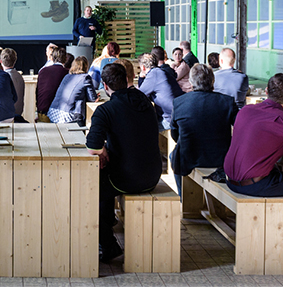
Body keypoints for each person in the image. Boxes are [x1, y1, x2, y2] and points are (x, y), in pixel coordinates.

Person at [86, 62, 162, 262]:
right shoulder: (146, 103)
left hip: (127, 179)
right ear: (128, 80)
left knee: (93, 185)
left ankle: (108, 244)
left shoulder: (106, 110)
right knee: (106, 176)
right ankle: (109, 220)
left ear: (105, 85)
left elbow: (93, 145)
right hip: (153, 174)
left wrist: (101, 149)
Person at [169, 64, 237, 194]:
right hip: (220, 158)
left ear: (190, 82)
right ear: (213, 81)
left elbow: (175, 134)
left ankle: (183, 197)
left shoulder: (179, 102)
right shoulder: (227, 102)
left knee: (174, 155)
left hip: (189, 157)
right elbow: (239, 127)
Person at [47, 56, 99, 125]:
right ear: (86, 66)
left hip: (53, 113)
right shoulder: (85, 78)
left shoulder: (67, 76)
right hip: (69, 116)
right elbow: (93, 99)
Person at [137, 53, 179, 128]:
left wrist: (141, 77)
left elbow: (139, 96)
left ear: (143, 67)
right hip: (177, 114)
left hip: (168, 119)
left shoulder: (154, 75)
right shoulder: (162, 72)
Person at [35, 46, 68, 118]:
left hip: (42, 111)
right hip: (58, 114)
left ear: (52, 58)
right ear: (66, 59)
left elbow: (37, 92)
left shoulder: (42, 71)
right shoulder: (67, 73)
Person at [1, 48, 26, 121]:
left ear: (1, 61)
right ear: (15, 61)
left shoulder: (4, 77)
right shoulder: (19, 76)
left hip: (8, 116)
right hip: (19, 113)